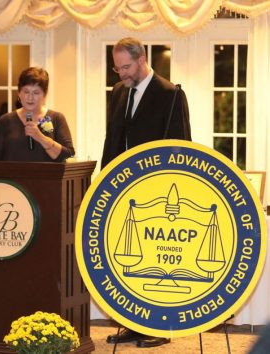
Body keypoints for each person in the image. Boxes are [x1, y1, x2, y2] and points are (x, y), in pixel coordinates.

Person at [101, 37, 192, 347]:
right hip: (122, 192)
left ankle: (158, 327)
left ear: (142, 60)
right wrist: (104, 182)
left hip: (157, 193)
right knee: (128, 261)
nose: (121, 74)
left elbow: (181, 147)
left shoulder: (171, 94)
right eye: (117, 67)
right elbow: (111, 139)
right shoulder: (117, 92)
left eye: (125, 67)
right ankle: (132, 323)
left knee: (157, 262)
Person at [0, 67, 75, 162]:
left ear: (44, 94)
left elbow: (68, 156)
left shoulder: (56, 118)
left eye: (36, 93)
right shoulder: (5, 121)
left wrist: (40, 137)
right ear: (19, 93)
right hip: (12, 177)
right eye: (26, 92)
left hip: (47, 176)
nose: (30, 97)